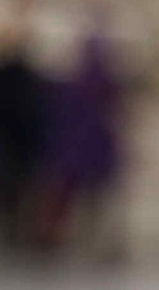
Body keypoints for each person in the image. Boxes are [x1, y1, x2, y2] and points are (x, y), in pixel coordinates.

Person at [45, 14, 127, 258]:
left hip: (79, 147)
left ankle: (67, 239)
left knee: (77, 198)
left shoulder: (72, 83)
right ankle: (90, 242)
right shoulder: (105, 83)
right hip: (92, 146)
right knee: (91, 199)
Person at [0, 11, 46, 255]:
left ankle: (14, 230)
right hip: (17, 141)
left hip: (17, 142)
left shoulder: (26, 76)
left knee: (15, 189)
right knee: (15, 190)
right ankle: (14, 230)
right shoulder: (26, 76)